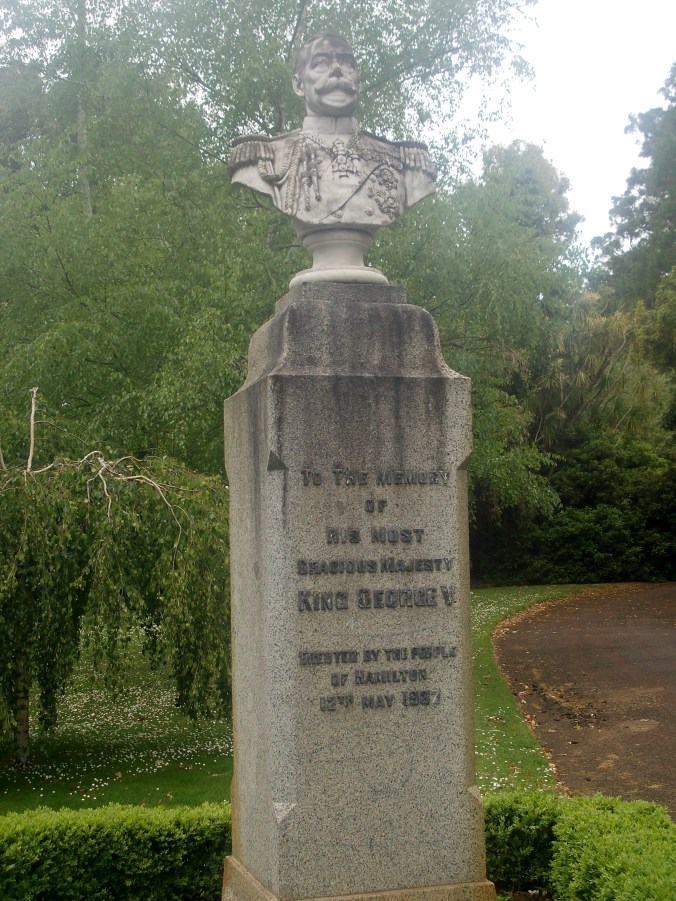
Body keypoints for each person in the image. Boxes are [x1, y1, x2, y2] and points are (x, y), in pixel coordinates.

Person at [229, 33, 435, 283]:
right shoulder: (266, 157)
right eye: (321, 63)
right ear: (298, 84)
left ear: (358, 81)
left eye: (347, 63)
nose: (338, 70)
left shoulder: (404, 162)